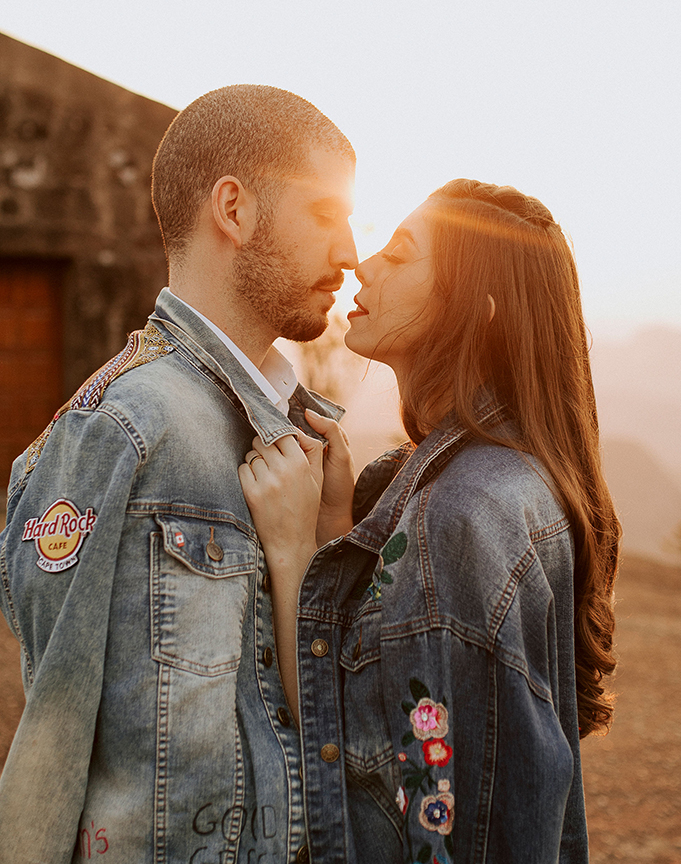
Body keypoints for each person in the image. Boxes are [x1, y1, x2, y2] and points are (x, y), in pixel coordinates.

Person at [0, 85, 358, 864]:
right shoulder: (122, 427)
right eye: (326, 215)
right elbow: (53, 741)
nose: (351, 253)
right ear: (234, 209)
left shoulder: (310, 436)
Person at [239, 179, 621, 864]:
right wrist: (335, 522)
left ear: (476, 307)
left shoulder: (461, 517)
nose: (363, 264)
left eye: (400, 253)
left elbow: (368, 772)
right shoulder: (502, 480)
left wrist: (292, 551)